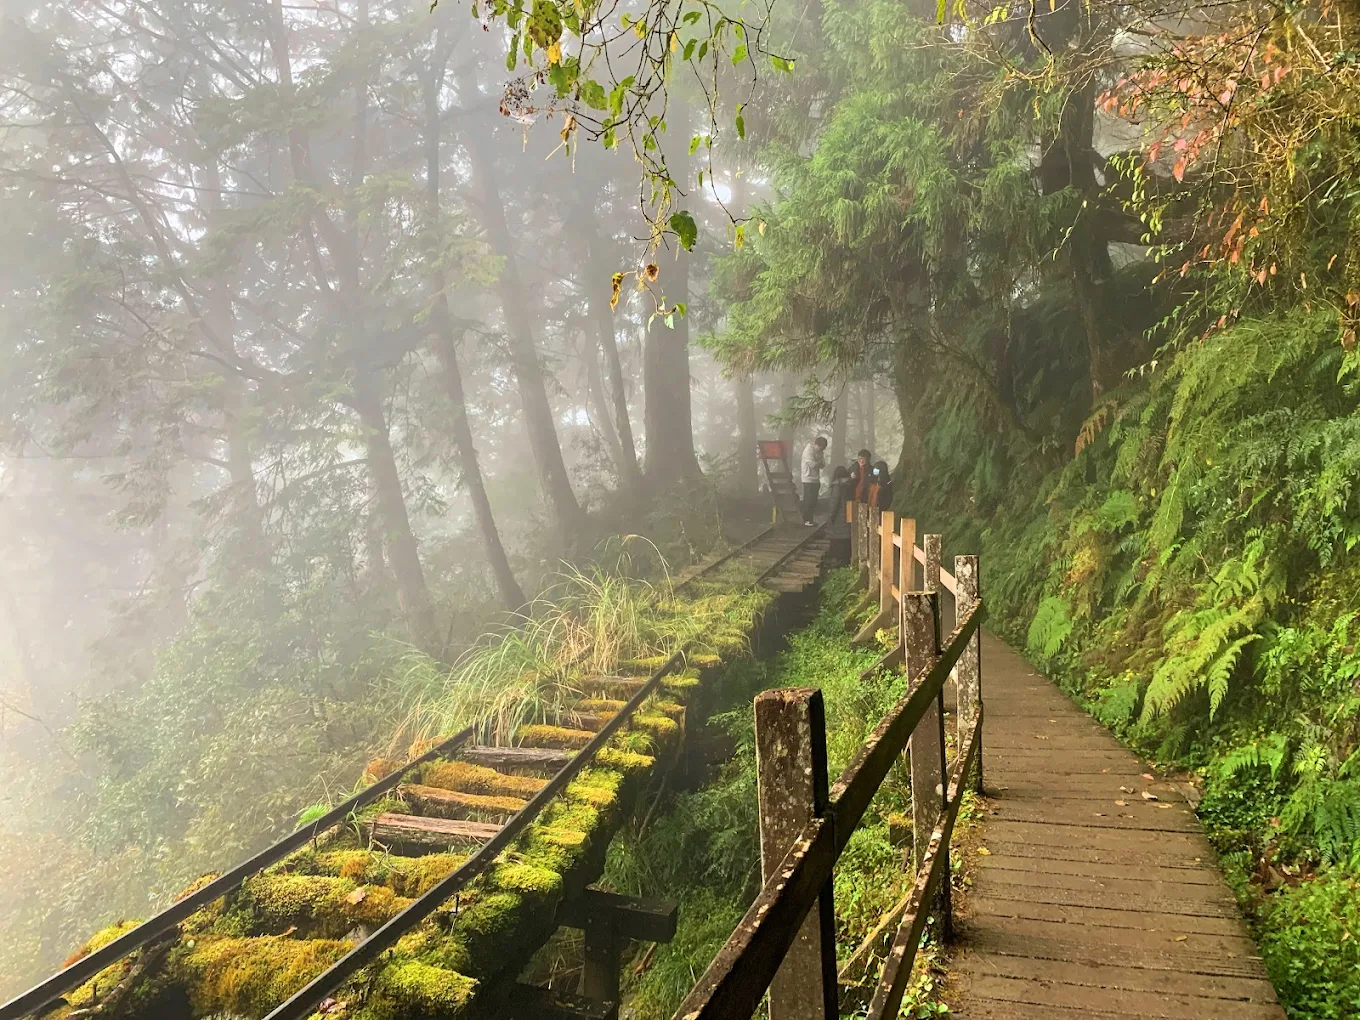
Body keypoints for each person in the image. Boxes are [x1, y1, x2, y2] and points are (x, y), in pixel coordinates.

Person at [799, 435, 828, 525]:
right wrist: (819, 463)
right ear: (816, 444)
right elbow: (813, 464)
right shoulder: (808, 450)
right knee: (808, 500)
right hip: (807, 478)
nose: (821, 450)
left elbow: (822, 464)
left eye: (822, 449)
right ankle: (806, 519)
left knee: (814, 500)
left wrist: (819, 463)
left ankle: (810, 519)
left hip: (816, 478)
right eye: (820, 448)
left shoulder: (821, 452)